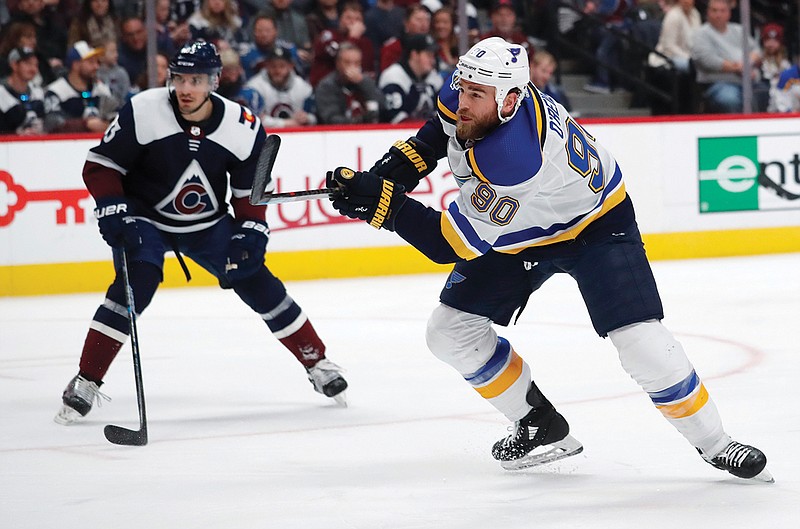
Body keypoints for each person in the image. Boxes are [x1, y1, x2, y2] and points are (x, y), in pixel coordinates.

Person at [324, 36, 773, 482]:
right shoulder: (475, 93)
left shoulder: (513, 156)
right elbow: (431, 141)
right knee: (448, 331)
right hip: (525, 230)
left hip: (595, 224)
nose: (463, 100)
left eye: (475, 95)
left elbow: (450, 245)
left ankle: (716, 443)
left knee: (641, 342)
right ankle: (540, 425)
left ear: (511, 100)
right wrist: (379, 178)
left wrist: (381, 206)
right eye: (463, 88)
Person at [53, 39, 348, 426]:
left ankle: (317, 362)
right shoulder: (144, 110)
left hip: (207, 224)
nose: (186, 89)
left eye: (196, 79)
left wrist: (252, 229)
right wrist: (111, 205)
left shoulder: (242, 126)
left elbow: (249, 192)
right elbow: (103, 165)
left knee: (255, 278)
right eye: (179, 78)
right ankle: (87, 379)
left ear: (215, 80)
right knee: (137, 280)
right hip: (146, 218)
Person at [690, 0, 765, 113]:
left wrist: (747, 63)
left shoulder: (738, 30)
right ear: (708, 12)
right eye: (714, 10)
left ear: (729, 13)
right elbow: (708, 60)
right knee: (730, 100)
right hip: (718, 84)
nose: (718, 14)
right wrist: (738, 68)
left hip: (749, 82)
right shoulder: (701, 34)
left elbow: (757, 51)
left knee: (765, 93)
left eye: (722, 11)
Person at [43, 40, 117, 133]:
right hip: (68, 145)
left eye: (97, 62)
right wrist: (85, 125)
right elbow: (53, 123)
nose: (96, 66)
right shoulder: (56, 91)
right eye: (91, 62)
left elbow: (117, 115)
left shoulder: (102, 89)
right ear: (76, 65)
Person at [378, 33, 442, 123]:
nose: (433, 60)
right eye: (428, 55)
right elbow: (395, 118)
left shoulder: (434, 77)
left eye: (433, 55)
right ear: (414, 54)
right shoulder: (393, 77)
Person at [246, 44, 316, 127]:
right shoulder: (254, 87)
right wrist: (286, 123)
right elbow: (254, 119)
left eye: (282, 66)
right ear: (267, 66)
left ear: (291, 66)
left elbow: (315, 117)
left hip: (296, 136)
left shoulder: (303, 87)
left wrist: (307, 118)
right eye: (273, 66)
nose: (277, 70)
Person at [315, 41, 382, 124]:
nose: (352, 67)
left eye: (357, 63)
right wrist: (360, 120)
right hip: (337, 135)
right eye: (347, 63)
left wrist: (364, 84)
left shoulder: (366, 82)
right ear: (338, 63)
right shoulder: (326, 86)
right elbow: (331, 119)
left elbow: (384, 109)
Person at [0, 46, 45, 134]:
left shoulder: (38, 93)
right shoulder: (1, 94)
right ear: (14, 65)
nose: (33, 69)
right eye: (28, 63)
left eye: (36, 65)